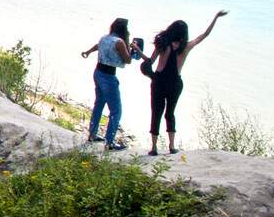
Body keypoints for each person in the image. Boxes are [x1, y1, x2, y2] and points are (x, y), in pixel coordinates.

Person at [145, 10, 227, 155]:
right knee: (170, 113)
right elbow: (205, 35)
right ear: (184, 34)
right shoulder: (186, 47)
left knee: (156, 113)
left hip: (159, 81)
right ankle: (171, 146)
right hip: (175, 84)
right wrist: (215, 17)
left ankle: (154, 148)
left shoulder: (162, 44)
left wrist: (138, 51)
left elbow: (150, 62)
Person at [79, 18, 137, 149]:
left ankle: (92, 134)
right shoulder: (119, 42)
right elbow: (128, 60)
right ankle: (109, 142)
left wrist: (88, 52)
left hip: (98, 72)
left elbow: (97, 46)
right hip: (109, 76)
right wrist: (131, 48)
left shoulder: (105, 38)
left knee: (99, 104)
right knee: (116, 110)